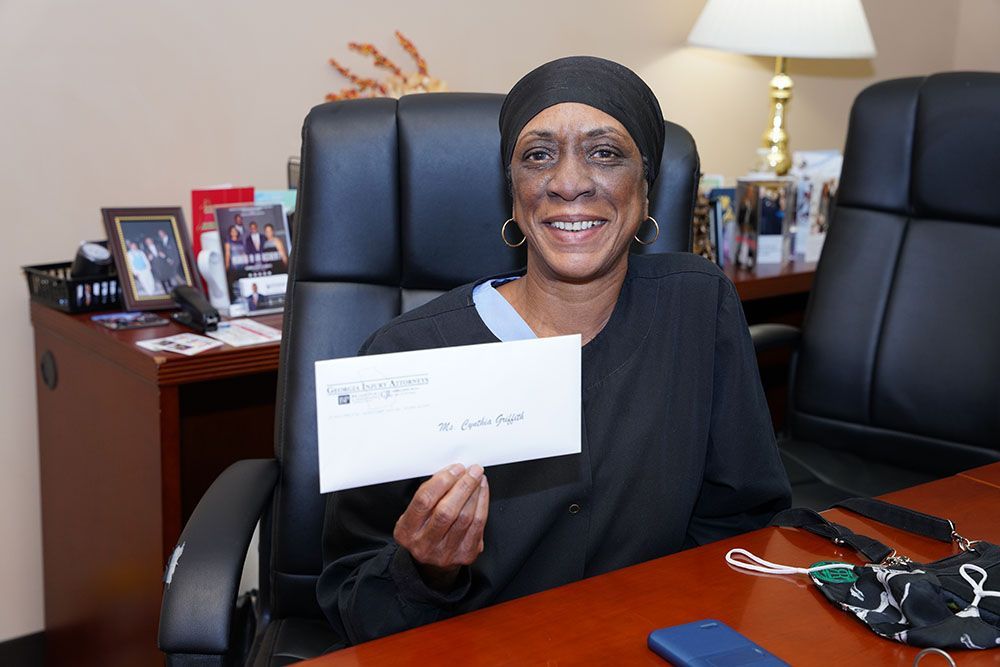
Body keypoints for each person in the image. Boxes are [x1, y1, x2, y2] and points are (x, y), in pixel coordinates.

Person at [317, 56, 791, 646]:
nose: (569, 182)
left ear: (647, 189)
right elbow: (350, 594)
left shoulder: (696, 306)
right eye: (539, 154)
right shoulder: (403, 354)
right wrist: (428, 570)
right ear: (513, 192)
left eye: (605, 153)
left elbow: (741, 520)